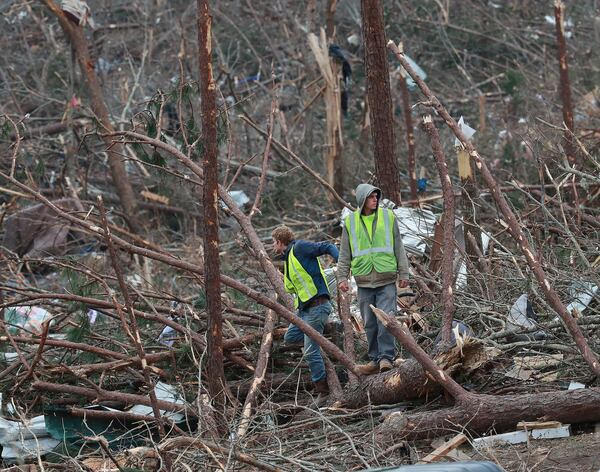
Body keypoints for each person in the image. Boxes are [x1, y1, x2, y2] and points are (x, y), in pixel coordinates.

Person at [338, 183, 410, 374]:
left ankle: (387, 357)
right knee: (369, 323)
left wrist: (404, 273)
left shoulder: (388, 217)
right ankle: (375, 359)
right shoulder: (350, 222)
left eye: (376, 196)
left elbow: (398, 247)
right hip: (363, 281)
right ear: (362, 199)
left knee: (386, 319)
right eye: (371, 197)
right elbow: (345, 253)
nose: (375, 199)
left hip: (385, 278)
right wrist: (342, 277)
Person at [272, 225, 339, 394]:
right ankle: (317, 340)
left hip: (318, 306)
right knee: (290, 337)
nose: (273, 246)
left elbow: (327, 246)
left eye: (274, 242)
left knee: (310, 352)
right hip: (304, 310)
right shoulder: (289, 257)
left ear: (280, 242)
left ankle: (322, 389)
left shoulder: (300, 247)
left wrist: (341, 262)